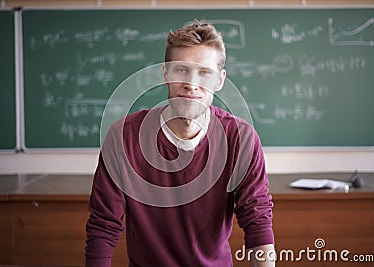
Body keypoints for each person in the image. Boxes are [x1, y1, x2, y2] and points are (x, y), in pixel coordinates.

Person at [86, 20, 275, 267]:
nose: (191, 83)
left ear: (219, 80)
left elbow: (257, 222)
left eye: (204, 73)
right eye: (181, 70)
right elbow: (103, 226)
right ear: (165, 73)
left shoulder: (241, 138)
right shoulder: (123, 137)